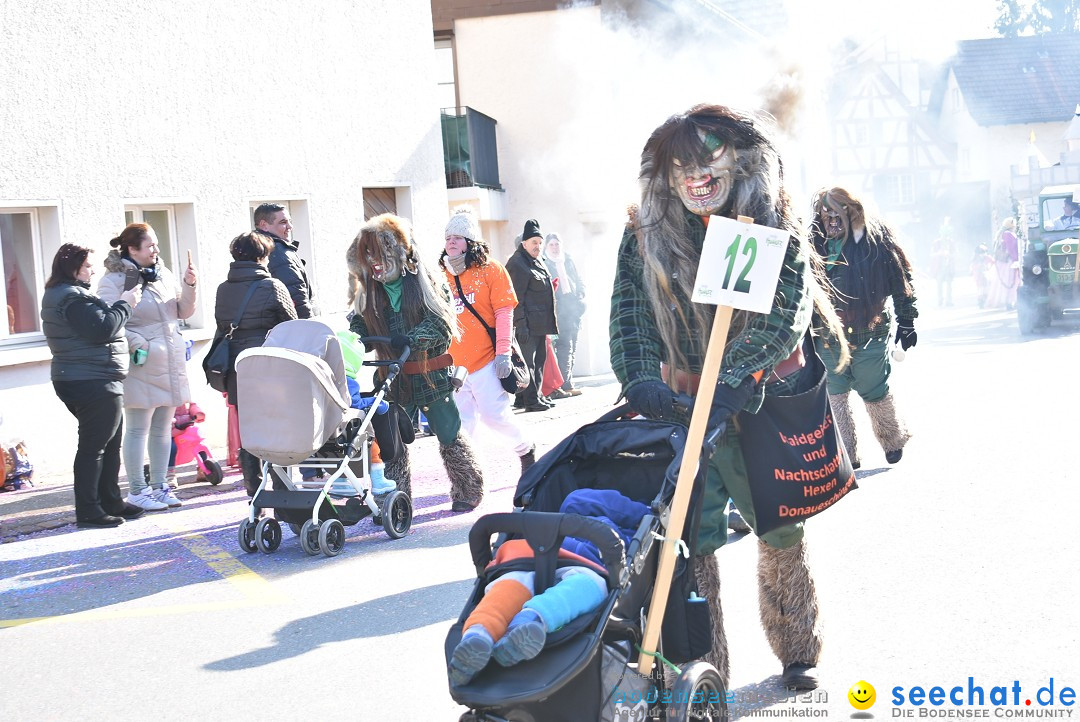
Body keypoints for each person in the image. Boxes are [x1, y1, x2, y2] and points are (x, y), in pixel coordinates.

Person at [609, 104, 850, 691]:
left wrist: (737, 375)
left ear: (739, 158)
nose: (695, 176)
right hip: (686, 404)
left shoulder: (770, 219)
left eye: (707, 159)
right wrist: (639, 375)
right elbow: (630, 313)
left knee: (781, 529)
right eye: (679, 165)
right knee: (694, 542)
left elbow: (786, 310)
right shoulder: (645, 229)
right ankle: (705, 667)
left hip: (760, 399)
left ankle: (798, 648)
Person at [346, 213, 486, 512]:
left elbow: (442, 324)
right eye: (368, 255)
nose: (375, 262)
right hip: (391, 376)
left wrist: (413, 338)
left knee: (448, 433)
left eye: (380, 254)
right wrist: (356, 340)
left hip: (430, 374)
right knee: (391, 439)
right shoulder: (369, 292)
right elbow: (358, 325)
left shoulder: (427, 284)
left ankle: (468, 487)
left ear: (398, 253)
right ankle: (396, 499)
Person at [447, 489, 648, 685]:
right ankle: (525, 622)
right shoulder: (609, 523)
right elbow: (575, 501)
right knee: (589, 585)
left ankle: (480, 634)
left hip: (538, 558)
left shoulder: (623, 535)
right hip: (563, 555)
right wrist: (643, 513)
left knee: (510, 588)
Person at [810, 187, 918, 469]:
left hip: (870, 331)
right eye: (825, 215)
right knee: (835, 392)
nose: (831, 221)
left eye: (837, 215)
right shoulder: (811, 244)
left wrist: (907, 321)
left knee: (874, 388)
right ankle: (846, 455)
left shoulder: (874, 241)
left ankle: (892, 440)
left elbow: (900, 281)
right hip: (829, 335)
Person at [41, 243, 146, 527]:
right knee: (94, 447)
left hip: (87, 376)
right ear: (73, 267)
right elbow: (102, 329)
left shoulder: (65, 294)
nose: (93, 270)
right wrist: (126, 303)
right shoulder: (71, 298)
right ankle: (89, 511)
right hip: (91, 379)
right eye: (88, 265)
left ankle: (111, 501)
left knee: (109, 444)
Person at [97, 224, 197, 512]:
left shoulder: (161, 274)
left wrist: (190, 285)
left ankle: (160, 486)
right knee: (138, 427)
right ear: (132, 249)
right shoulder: (114, 281)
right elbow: (110, 321)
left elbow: (182, 311)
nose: (156, 250)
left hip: (169, 360)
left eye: (156, 244)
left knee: (163, 428)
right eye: (150, 245)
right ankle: (138, 490)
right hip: (142, 362)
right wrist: (139, 343)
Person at [439, 208, 537, 476]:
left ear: (470, 242)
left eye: (458, 237)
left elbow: (504, 313)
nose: (451, 242)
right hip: (455, 365)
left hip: (486, 360)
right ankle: (471, 479)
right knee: (462, 425)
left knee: (496, 417)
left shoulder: (491, 269)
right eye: (448, 237)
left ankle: (525, 449)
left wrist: (503, 353)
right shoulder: (440, 275)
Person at [213, 231, 298, 495]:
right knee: (277, 427)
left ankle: (254, 490)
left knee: (248, 429)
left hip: (238, 367)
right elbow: (291, 326)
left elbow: (221, 325)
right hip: (270, 364)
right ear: (262, 256)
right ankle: (282, 486)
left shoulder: (223, 289)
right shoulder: (272, 286)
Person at [506, 219, 558, 412]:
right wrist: (521, 325)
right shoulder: (517, 263)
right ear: (524, 243)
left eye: (539, 242)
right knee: (527, 363)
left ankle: (532, 396)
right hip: (526, 324)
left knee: (539, 362)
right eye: (533, 242)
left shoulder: (537, 261)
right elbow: (515, 298)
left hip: (540, 323)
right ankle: (531, 401)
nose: (537, 246)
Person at [543, 232, 586, 398]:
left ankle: (567, 382)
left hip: (573, 309)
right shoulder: (545, 263)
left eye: (557, 244)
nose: (554, 248)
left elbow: (578, 279)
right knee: (564, 347)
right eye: (551, 245)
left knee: (572, 346)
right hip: (558, 311)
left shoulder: (567, 259)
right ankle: (563, 384)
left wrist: (581, 292)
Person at [253, 203, 315, 319]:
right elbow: (296, 296)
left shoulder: (256, 249)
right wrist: (311, 326)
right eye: (283, 222)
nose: (290, 227)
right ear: (264, 225)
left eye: (289, 221)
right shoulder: (278, 252)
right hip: (289, 326)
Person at [990, 217, 1020, 311]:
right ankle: (1010, 302)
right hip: (1009, 261)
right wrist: (1016, 259)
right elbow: (1011, 248)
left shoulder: (1005, 233)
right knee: (1011, 281)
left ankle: (1011, 302)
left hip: (1007, 261)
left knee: (1010, 281)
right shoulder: (1008, 234)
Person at [970, 243, 993, 308]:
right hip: (979, 276)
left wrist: (989, 267)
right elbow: (974, 267)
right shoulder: (975, 259)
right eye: (981, 252)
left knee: (985, 288)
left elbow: (993, 262)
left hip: (986, 275)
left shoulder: (987, 257)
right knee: (981, 288)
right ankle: (981, 301)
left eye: (984, 252)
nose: (982, 254)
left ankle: (983, 300)